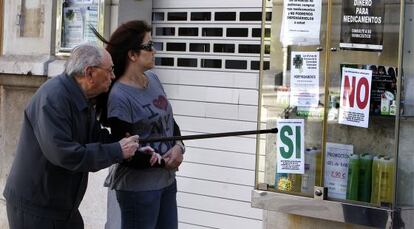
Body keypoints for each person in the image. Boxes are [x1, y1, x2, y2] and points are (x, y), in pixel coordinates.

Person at [3, 43, 148, 229]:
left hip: (63, 207)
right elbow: (64, 154)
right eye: (110, 70)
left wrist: (130, 145)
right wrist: (117, 150)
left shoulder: (80, 96)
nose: (113, 76)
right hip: (36, 209)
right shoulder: (53, 98)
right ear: (89, 73)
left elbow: (94, 135)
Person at [93, 20, 185, 229]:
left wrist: (179, 146)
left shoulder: (153, 79)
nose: (154, 51)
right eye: (149, 46)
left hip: (167, 183)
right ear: (132, 55)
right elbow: (127, 152)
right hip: (139, 190)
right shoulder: (119, 96)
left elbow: (169, 122)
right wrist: (164, 161)